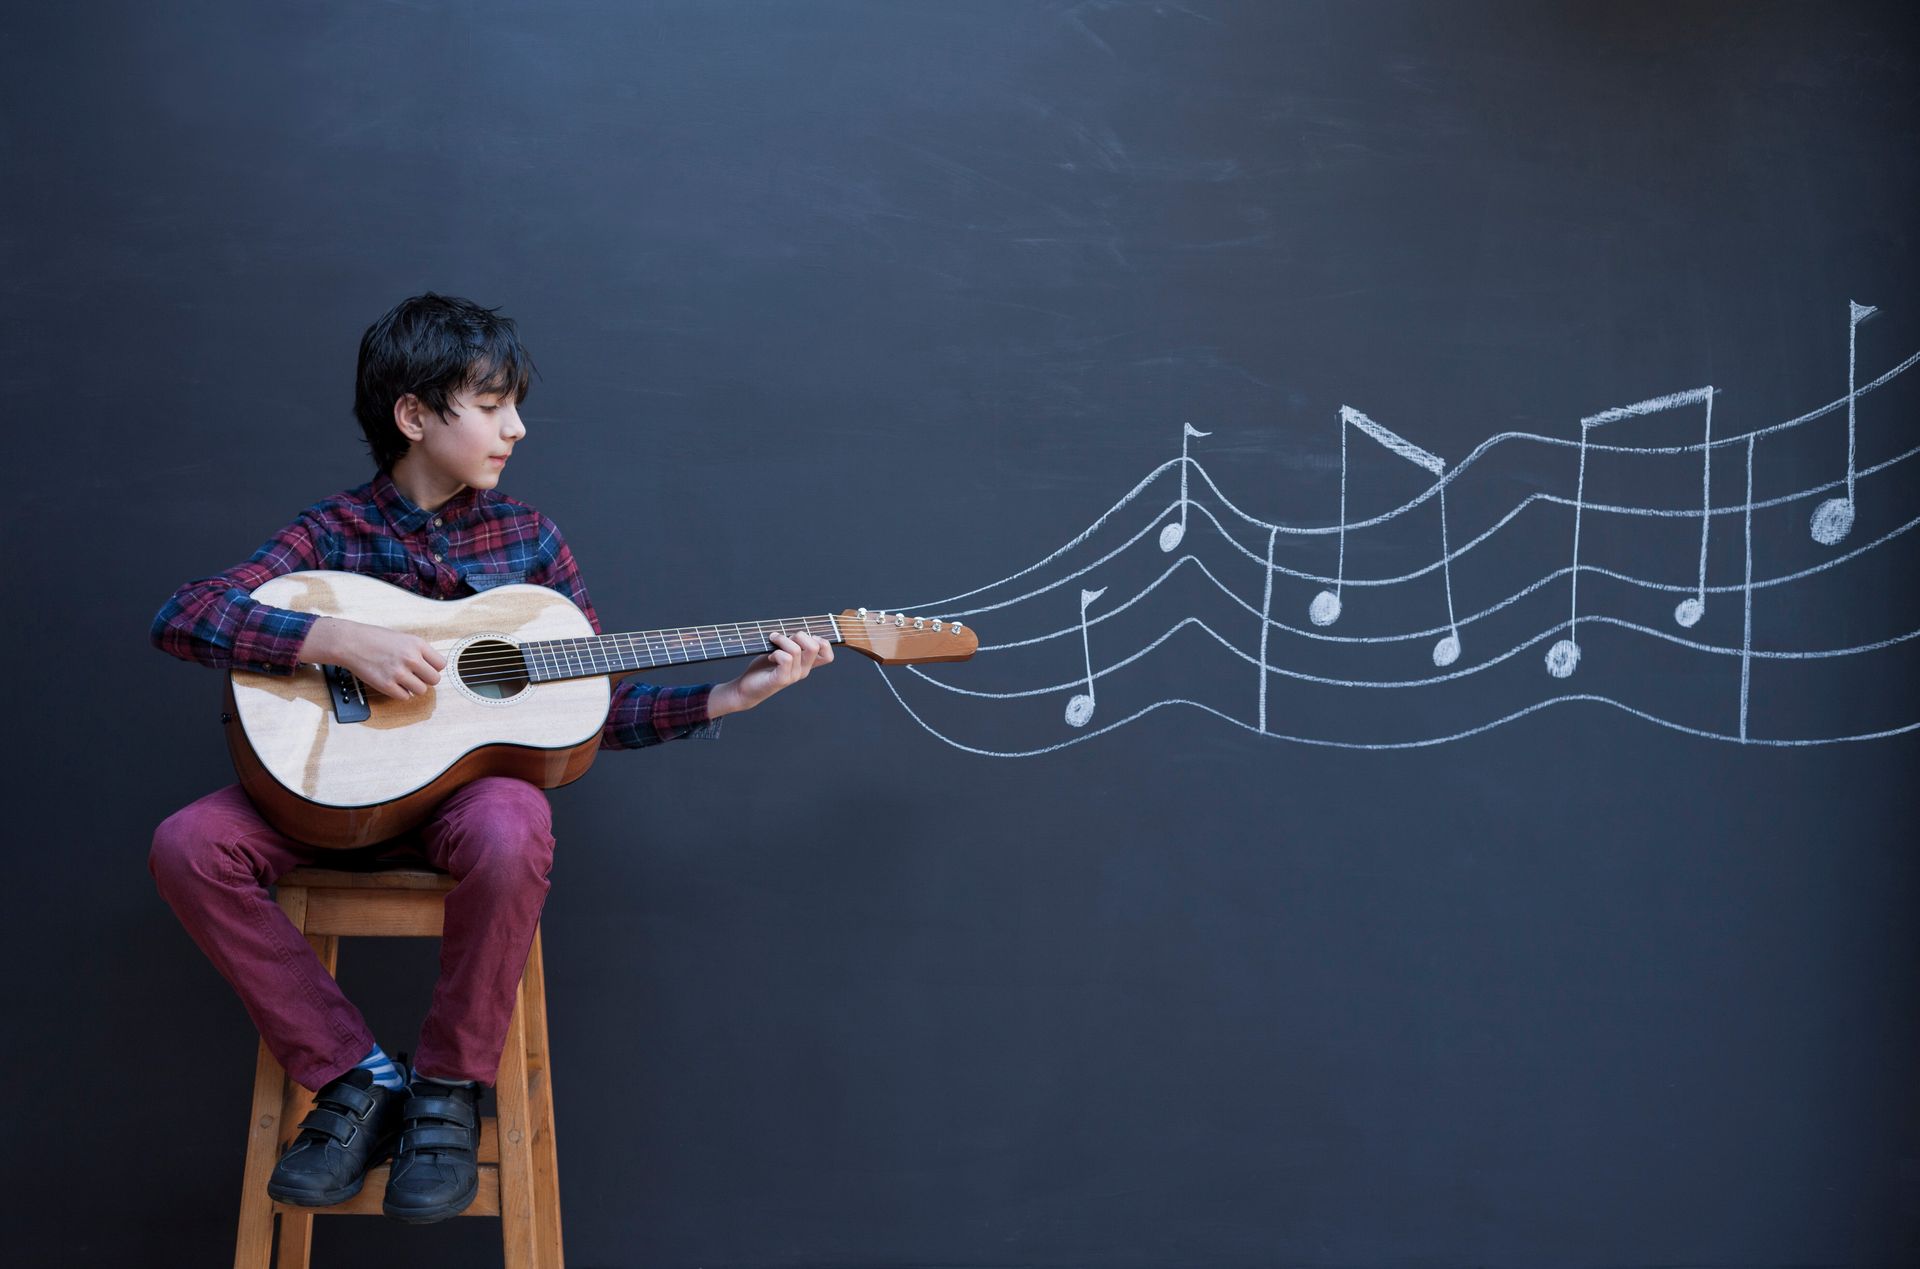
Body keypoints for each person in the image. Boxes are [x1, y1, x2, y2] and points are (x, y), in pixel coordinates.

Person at [147, 292, 832, 1223]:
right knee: (188, 844)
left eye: (516, 404)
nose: (518, 426)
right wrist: (337, 642)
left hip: (458, 818)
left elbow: (596, 710)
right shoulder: (330, 535)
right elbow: (183, 615)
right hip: (324, 803)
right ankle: (354, 1079)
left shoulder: (530, 541)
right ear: (415, 415)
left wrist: (728, 695)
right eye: (492, 403)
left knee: (517, 817)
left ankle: (446, 1094)